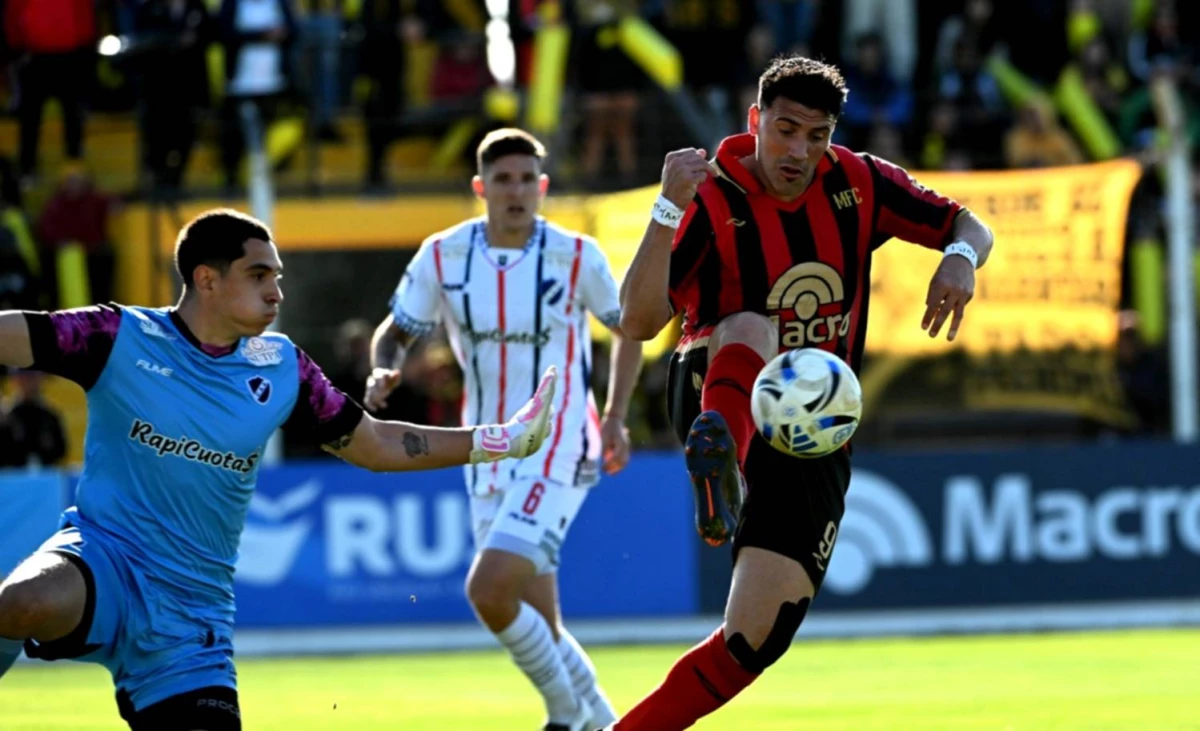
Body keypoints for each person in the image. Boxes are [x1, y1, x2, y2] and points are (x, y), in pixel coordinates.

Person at [0, 208, 557, 731]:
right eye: (259, 274)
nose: (277, 291)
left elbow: (377, 444)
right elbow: (14, 335)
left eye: (279, 276)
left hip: (193, 619)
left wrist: (503, 440)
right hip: (105, 559)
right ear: (208, 280)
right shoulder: (118, 337)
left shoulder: (284, 367)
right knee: (21, 603)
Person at [613, 55, 994, 729]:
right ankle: (720, 460)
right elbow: (638, 322)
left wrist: (960, 258)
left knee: (756, 637)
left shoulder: (859, 182)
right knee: (751, 320)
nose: (799, 151)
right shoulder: (711, 194)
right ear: (756, 119)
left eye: (816, 136)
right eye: (786, 129)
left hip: (813, 433)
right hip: (712, 387)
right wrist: (667, 205)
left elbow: (970, 224)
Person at [366, 128, 643, 731]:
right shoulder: (443, 254)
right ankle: (601, 723)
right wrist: (384, 364)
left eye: (526, 180)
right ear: (480, 187)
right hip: (487, 447)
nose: (516, 191)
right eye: (503, 180)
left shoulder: (577, 255)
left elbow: (631, 327)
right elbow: (395, 330)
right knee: (540, 621)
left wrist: (616, 415)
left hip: (561, 441)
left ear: (542, 188)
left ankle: (563, 715)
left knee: (489, 589)